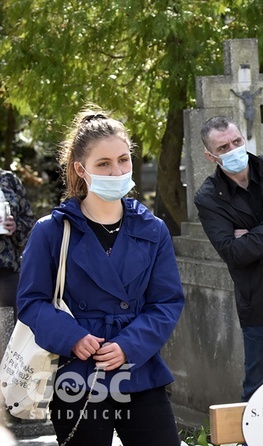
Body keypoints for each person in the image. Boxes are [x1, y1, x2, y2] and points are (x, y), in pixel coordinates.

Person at [16, 108, 185, 445]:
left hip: (139, 368)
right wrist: (73, 338)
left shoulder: (153, 230)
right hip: (78, 371)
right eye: (104, 164)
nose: (117, 170)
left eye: (124, 160)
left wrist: (129, 345)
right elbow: (31, 302)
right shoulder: (52, 231)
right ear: (81, 169)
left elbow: (166, 302)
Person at [194, 115, 263, 403]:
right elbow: (233, 253)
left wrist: (253, 234)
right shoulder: (209, 197)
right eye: (223, 147)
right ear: (210, 155)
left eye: (236, 141)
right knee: (260, 392)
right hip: (260, 303)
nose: (233, 149)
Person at [0, 168, 35, 316]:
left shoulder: (9, 179)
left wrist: (16, 226)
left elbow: (29, 223)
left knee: (9, 327)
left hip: (8, 272)